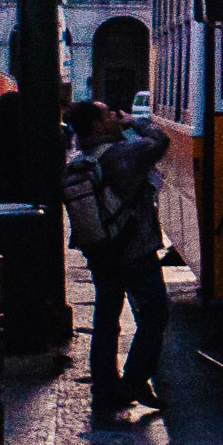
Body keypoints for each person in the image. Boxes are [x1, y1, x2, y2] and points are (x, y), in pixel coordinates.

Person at [63, 100, 170, 417]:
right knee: (154, 315)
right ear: (97, 125)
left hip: (101, 251)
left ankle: (105, 388)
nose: (114, 115)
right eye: (108, 113)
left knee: (107, 319)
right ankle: (135, 380)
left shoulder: (84, 157)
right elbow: (160, 142)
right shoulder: (123, 154)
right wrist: (134, 121)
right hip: (134, 248)